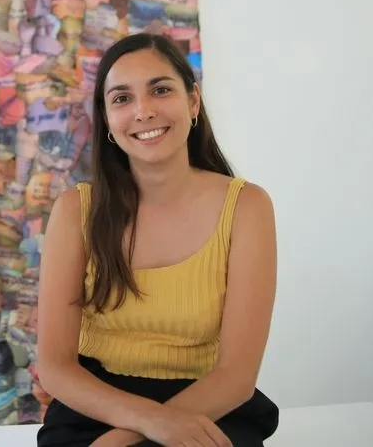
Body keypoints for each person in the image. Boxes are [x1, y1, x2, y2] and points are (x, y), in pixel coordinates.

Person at [34, 33, 280, 447]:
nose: (143, 111)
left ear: (193, 101)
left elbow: (236, 376)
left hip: (208, 404)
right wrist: (146, 422)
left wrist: (125, 440)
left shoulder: (246, 206)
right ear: (107, 119)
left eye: (161, 90)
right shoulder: (75, 210)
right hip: (99, 406)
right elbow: (56, 367)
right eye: (122, 98)